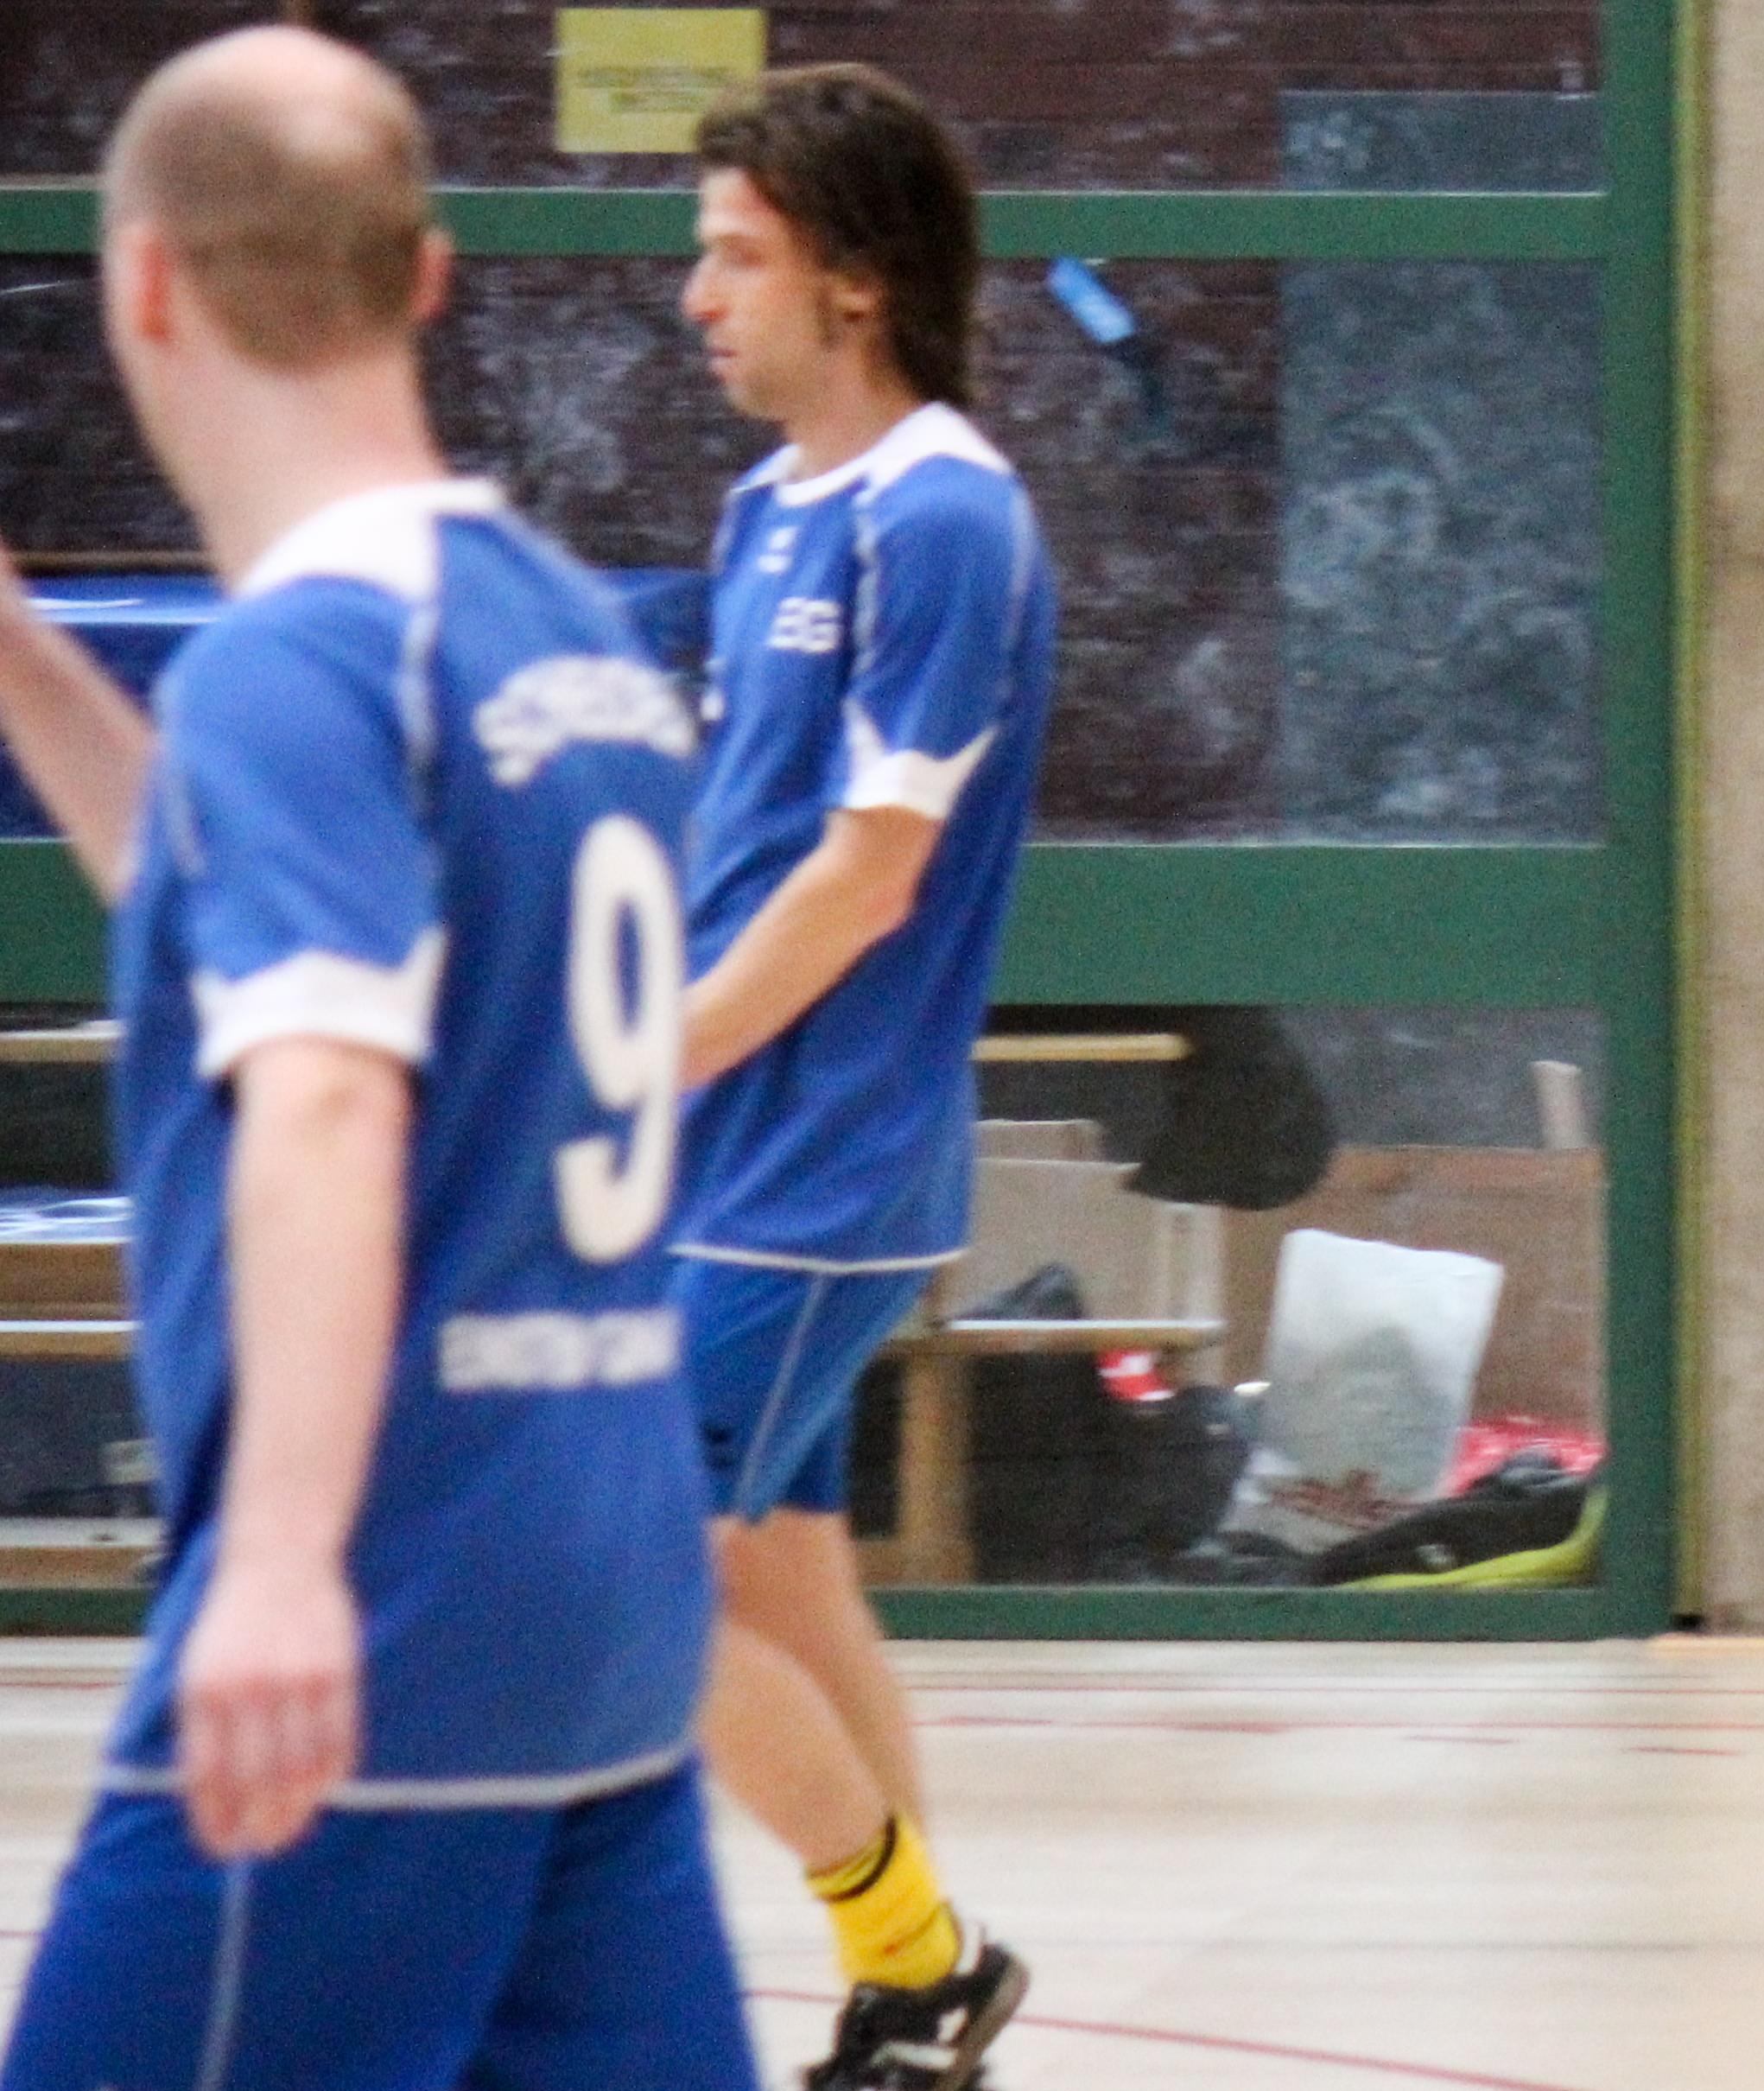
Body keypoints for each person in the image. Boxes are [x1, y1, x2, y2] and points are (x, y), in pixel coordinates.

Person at [0, 27, 753, 2087]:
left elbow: (327, 1095)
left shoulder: (299, 663)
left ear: (144, 286)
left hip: (385, 1614)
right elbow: (243, 909)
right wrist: (27, 665)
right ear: (424, 276)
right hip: (605, 1617)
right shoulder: (568, 636)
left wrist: (273, 1564)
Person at [672, 62, 1054, 2088]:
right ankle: (917, 1990)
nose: (698, 297)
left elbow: (869, 869)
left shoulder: (944, 514)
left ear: (860, 278)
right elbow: (741, 839)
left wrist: (641, 1067)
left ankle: (923, 1961)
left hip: (814, 1160)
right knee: (784, 1568)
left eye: (738, 255)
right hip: (725, 1143)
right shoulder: (769, 509)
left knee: (628, 1570)